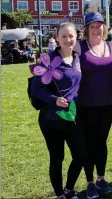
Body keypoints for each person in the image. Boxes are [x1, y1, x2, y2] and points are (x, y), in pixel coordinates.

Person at [31, 22, 86, 199]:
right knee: (57, 158)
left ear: (76, 37)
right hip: (51, 119)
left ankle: (69, 189)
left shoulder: (77, 58)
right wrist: (54, 100)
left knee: (80, 155)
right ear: (57, 38)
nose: (68, 39)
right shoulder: (49, 60)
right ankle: (60, 194)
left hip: (71, 117)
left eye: (71, 36)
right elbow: (36, 89)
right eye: (64, 36)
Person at [73, 12, 112, 199]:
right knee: (88, 144)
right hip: (85, 106)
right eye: (92, 26)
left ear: (104, 28)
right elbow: (63, 58)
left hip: (106, 105)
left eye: (99, 25)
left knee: (101, 142)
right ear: (86, 29)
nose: (96, 29)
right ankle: (90, 182)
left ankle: (101, 178)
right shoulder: (80, 46)